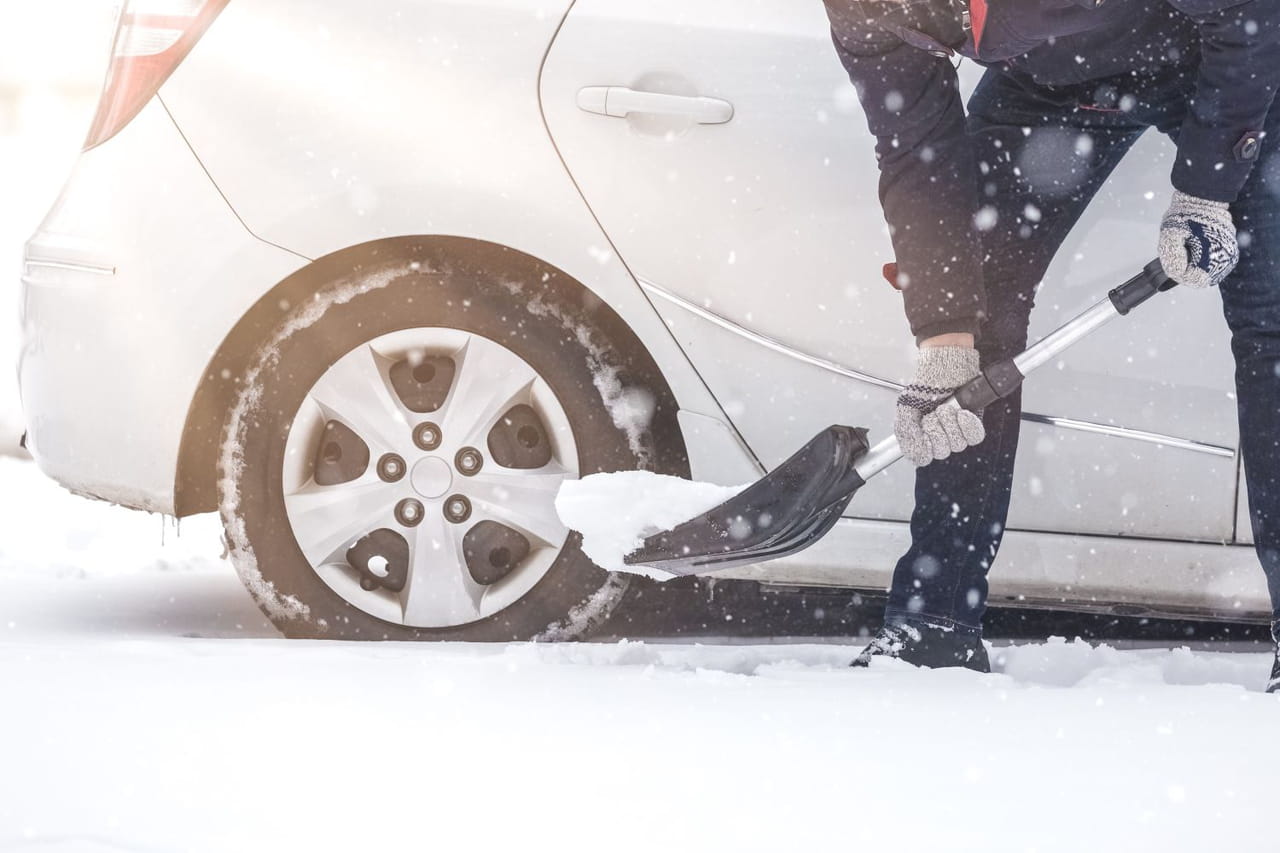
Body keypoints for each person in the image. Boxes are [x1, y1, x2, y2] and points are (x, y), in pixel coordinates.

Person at [821, 0, 1280, 688]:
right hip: (1044, 84)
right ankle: (933, 630)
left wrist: (1205, 189)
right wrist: (944, 336)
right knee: (973, 320)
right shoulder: (860, 9)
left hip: (1212, 57)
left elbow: (1252, 14)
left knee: (1271, 313)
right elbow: (916, 151)